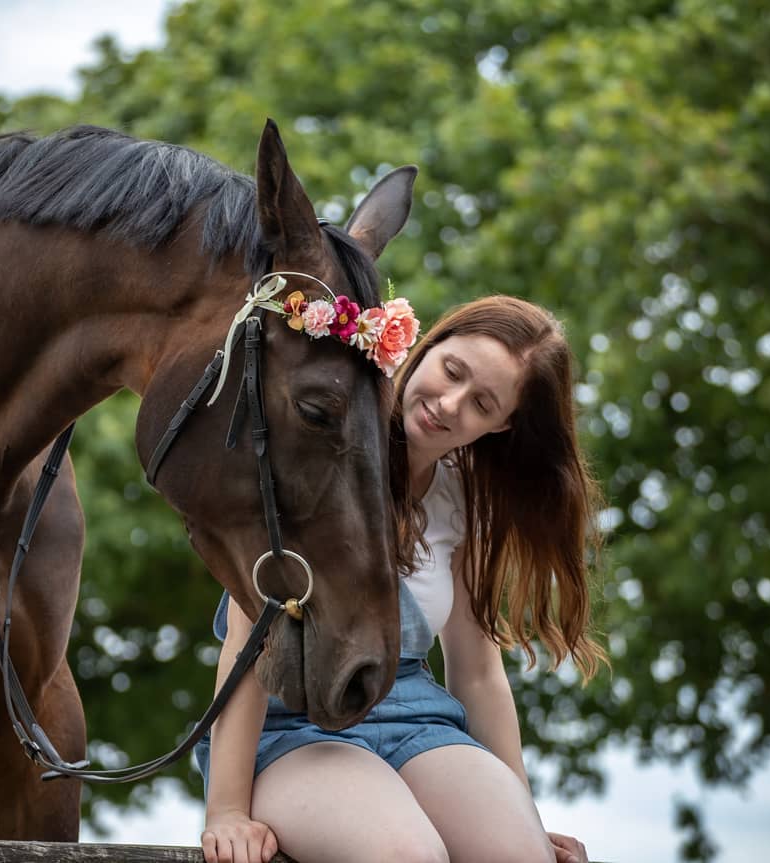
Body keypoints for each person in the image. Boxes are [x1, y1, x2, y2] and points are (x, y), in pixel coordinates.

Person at [195, 295, 607, 863]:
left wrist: (526, 817)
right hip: (296, 723)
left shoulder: (462, 496)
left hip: (419, 722)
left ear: (503, 424)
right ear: (426, 346)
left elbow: (479, 672)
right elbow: (247, 647)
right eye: (452, 371)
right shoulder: (314, 457)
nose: (450, 403)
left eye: (482, 402)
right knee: (408, 856)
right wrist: (226, 813)